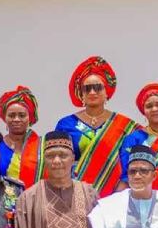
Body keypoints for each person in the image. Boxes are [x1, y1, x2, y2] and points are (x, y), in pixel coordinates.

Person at [55, 56, 140, 198]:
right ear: (81, 93)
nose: (92, 92)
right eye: (87, 89)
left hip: (116, 193)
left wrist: (124, 184)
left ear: (107, 92)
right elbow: (57, 159)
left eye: (97, 87)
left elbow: (134, 158)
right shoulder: (66, 124)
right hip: (75, 192)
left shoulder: (124, 125)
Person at [0, 86, 45, 188]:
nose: (16, 119)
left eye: (22, 115)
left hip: (36, 200)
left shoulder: (42, 146)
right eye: (11, 115)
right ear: (4, 117)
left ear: (29, 117)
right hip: (3, 201)